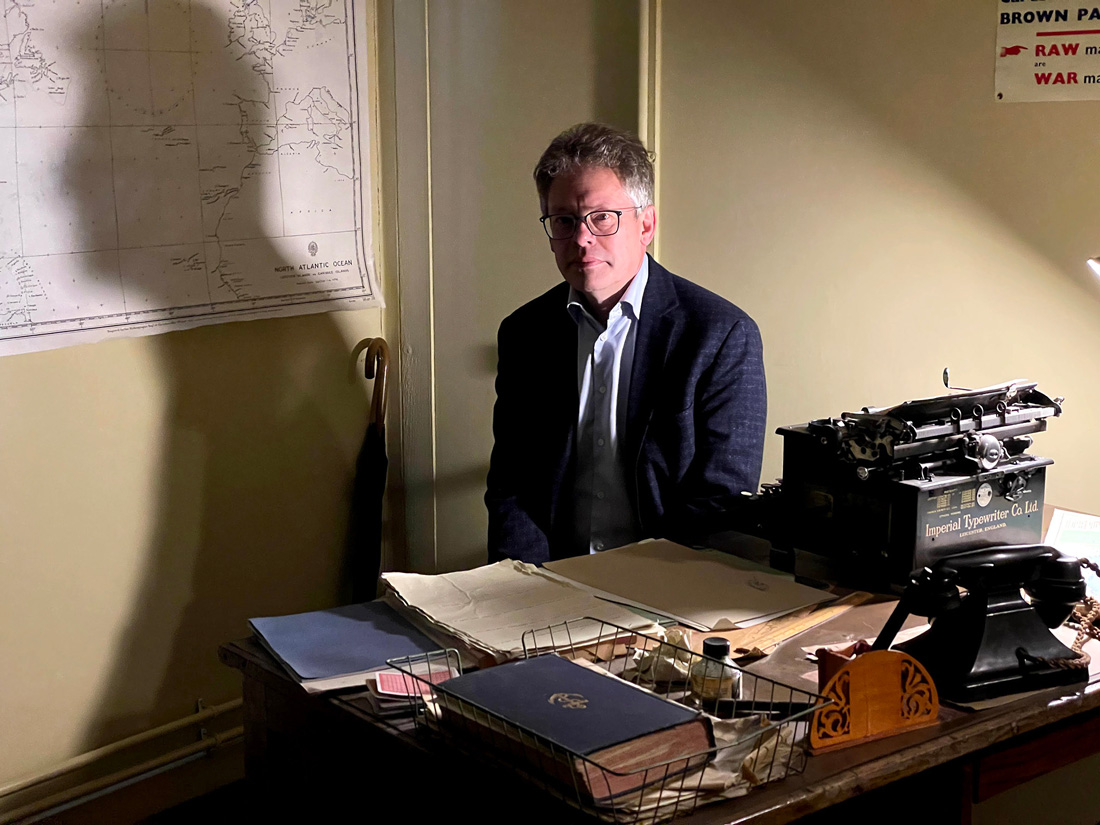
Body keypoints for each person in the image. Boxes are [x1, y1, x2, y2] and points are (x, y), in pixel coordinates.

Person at [486, 122, 766, 564]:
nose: (581, 238)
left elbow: (719, 503)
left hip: (670, 590)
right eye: (564, 220)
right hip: (550, 583)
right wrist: (520, 586)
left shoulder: (720, 334)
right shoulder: (525, 332)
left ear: (646, 223)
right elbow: (513, 486)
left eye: (601, 217)